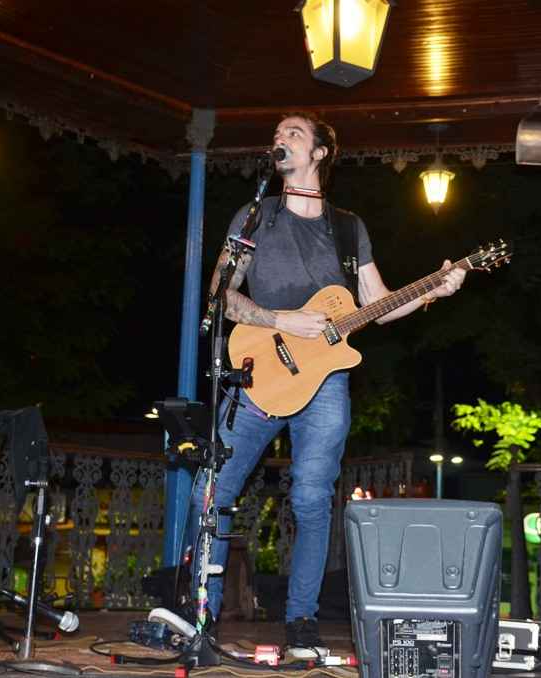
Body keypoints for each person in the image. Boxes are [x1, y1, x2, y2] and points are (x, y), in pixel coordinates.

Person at [187, 111, 466, 658]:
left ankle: (301, 623)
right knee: (209, 492)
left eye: (293, 133)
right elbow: (223, 297)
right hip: (256, 372)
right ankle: (202, 615)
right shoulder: (253, 217)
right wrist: (280, 320)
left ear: (319, 153)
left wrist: (437, 288)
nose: (279, 140)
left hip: (325, 387)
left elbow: (379, 306)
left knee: (312, 502)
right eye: (277, 135)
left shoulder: (347, 227)